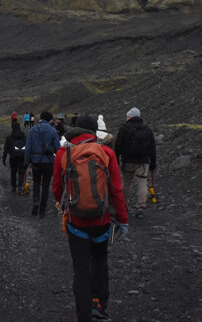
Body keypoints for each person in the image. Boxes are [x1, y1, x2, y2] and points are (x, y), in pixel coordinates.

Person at [53, 115, 129, 322]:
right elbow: (116, 191)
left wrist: (64, 207)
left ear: (75, 130)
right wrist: (122, 220)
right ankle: (99, 305)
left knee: (81, 269)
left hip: (75, 222)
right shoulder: (106, 152)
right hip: (102, 222)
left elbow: (56, 188)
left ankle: (83, 315)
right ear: (95, 132)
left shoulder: (63, 153)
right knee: (100, 259)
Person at [114, 107, 156, 219]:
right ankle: (141, 207)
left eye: (127, 116)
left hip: (128, 161)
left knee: (126, 183)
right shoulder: (147, 129)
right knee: (142, 183)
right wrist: (153, 163)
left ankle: (123, 205)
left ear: (130, 117)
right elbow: (152, 148)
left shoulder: (124, 128)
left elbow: (118, 145)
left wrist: (116, 160)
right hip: (143, 162)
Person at [25, 111, 60, 218]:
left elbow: (28, 148)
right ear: (49, 120)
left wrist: (26, 162)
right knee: (45, 185)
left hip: (35, 161)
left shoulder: (32, 130)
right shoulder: (53, 131)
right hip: (48, 162)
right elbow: (58, 149)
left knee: (36, 183)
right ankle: (42, 210)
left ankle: (35, 202)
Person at [2, 123, 27, 194]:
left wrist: (4, 159)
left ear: (12, 128)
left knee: (13, 172)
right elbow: (28, 147)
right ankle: (20, 187)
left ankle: (13, 187)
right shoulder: (24, 136)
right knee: (21, 172)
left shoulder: (9, 137)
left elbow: (5, 149)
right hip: (22, 157)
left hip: (13, 158)